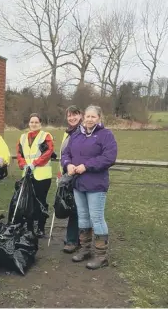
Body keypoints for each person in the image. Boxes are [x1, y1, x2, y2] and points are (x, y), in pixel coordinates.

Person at [61, 105, 117, 269]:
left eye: (93, 117)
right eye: (88, 116)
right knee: (83, 217)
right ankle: (85, 249)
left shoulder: (106, 135)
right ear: (83, 117)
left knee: (97, 218)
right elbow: (66, 153)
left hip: (96, 184)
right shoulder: (76, 135)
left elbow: (109, 157)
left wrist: (87, 165)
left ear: (99, 118)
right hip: (78, 183)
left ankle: (101, 255)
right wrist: (68, 164)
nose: (90, 119)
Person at [16, 113, 55, 238]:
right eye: (32, 122)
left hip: (42, 175)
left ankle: (41, 227)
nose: (33, 124)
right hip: (27, 175)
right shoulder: (23, 137)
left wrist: (34, 164)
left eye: (36, 122)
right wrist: (23, 165)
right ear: (29, 123)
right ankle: (29, 226)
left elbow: (48, 152)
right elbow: (19, 153)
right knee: (28, 202)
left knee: (41, 202)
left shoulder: (46, 136)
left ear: (40, 124)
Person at [59, 105, 82, 253]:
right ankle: (73, 238)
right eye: (69, 115)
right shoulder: (67, 133)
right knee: (73, 207)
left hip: (80, 174)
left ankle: (75, 240)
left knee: (78, 209)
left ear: (81, 115)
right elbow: (64, 153)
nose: (72, 118)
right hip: (68, 174)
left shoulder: (83, 132)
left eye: (75, 115)